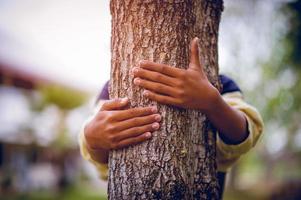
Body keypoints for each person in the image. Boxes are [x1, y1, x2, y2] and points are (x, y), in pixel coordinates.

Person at [78, 38, 264, 196]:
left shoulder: (220, 84)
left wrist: (212, 102)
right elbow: (103, 161)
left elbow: (245, 134)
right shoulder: (113, 88)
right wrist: (92, 138)